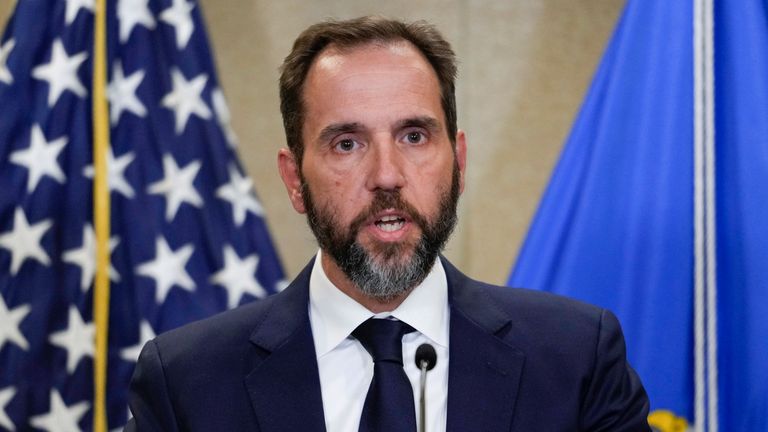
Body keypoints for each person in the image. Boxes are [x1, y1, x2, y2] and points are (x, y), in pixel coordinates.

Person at [126, 16, 650, 431]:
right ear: (293, 179)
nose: (387, 176)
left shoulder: (576, 358)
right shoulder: (187, 383)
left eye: (414, 136)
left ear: (459, 161)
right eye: (347, 144)